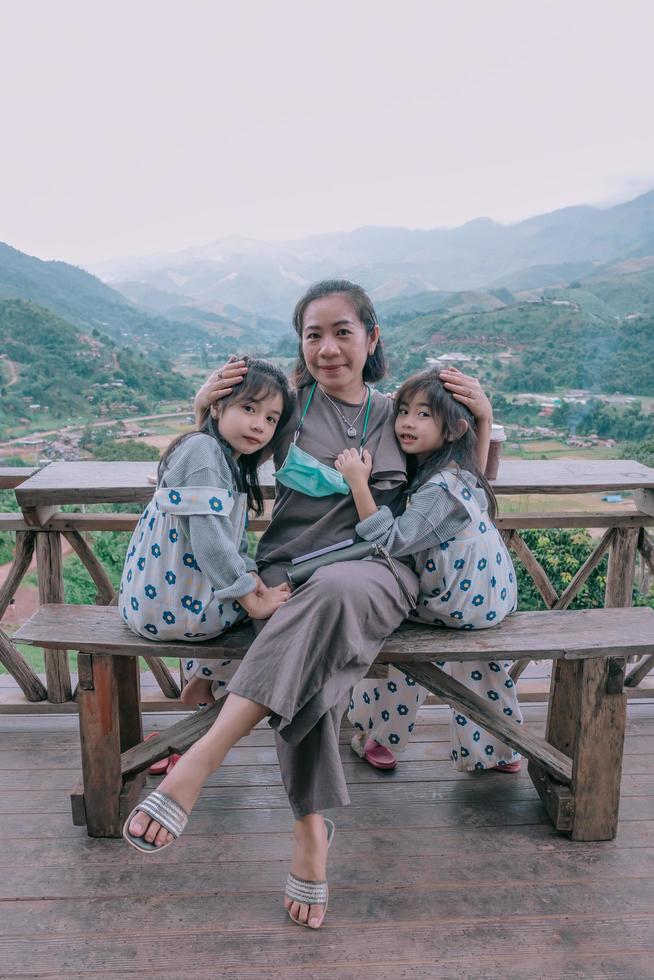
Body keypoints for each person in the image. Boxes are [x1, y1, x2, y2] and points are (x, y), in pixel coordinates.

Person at [123, 280, 493, 932]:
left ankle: (202, 761)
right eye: (313, 334)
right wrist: (202, 409)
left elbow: (458, 487)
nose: (327, 347)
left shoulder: (401, 411)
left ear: (371, 339)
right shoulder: (287, 410)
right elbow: (214, 462)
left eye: (342, 331)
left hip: (377, 573)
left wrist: (483, 422)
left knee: (330, 597)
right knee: (311, 643)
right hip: (285, 572)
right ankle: (310, 835)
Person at [336, 367, 522, 773]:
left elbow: (392, 541)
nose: (406, 422)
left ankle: (376, 735)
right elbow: (478, 461)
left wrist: (358, 484)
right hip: (486, 601)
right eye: (403, 410)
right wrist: (484, 419)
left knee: (384, 631)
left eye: (424, 414)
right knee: (483, 667)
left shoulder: (440, 489)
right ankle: (499, 748)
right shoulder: (459, 472)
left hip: (449, 604)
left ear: (453, 430)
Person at [119, 357, 294, 708]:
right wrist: (252, 597)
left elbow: (225, 541)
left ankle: (201, 687)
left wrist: (249, 577)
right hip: (181, 611)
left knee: (268, 589)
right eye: (249, 408)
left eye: (271, 419)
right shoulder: (203, 452)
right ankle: (204, 681)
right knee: (293, 612)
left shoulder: (214, 454)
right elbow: (211, 538)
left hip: (150, 604)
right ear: (216, 406)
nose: (259, 425)